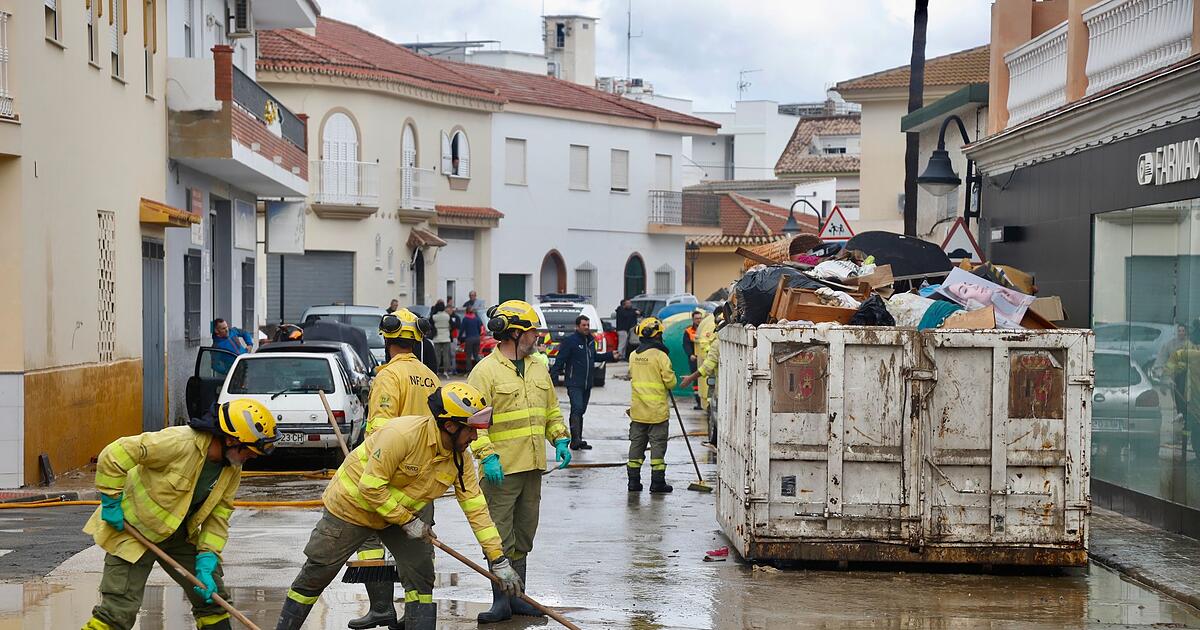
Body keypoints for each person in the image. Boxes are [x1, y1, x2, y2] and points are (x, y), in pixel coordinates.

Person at [273, 384, 522, 630]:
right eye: (470, 431)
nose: (475, 438)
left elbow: (476, 508)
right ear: (450, 425)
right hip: (351, 508)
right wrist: (408, 520)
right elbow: (370, 487)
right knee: (317, 573)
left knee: (421, 575)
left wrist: (497, 558)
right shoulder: (402, 435)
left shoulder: (460, 459)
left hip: (396, 517)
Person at [80, 399, 279, 630]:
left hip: (178, 535)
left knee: (214, 601)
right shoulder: (180, 442)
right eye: (250, 451)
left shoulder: (231, 467)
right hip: (132, 530)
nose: (252, 457)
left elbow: (219, 513)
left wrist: (207, 558)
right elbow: (116, 453)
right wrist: (111, 500)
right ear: (230, 439)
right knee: (116, 614)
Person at [468, 300, 570, 624]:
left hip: (532, 466)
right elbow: (472, 424)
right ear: (512, 333)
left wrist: (560, 438)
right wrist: (487, 457)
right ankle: (501, 600)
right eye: (531, 331)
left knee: (524, 535)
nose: (537, 336)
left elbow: (550, 410)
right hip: (501, 470)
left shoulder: (539, 367)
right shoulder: (485, 372)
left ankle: (518, 597)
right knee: (499, 536)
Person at [345, 308, 441, 630]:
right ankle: (416, 619)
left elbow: (381, 430)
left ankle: (382, 607)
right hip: (422, 480)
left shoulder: (388, 375)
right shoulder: (430, 376)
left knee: (370, 541)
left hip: (389, 477)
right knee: (416, 549)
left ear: (386, 338)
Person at [551, 315, 618, 450]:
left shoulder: (590, 341)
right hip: (574, 382)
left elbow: (593, 357)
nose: (586, 327)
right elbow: (560, 360)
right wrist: (554, 379)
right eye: (584, 325)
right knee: (576, 408)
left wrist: (610, 355)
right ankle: (575, 440)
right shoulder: (571, 341)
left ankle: (579, 439)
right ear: (577, 327)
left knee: (581, 410)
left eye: (588, 325)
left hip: (587, 383)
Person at [626, 317, 676, 494]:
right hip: (657, 413)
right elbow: (670, 382)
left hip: (638, 412)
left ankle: (633, 482)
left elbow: (632, 375)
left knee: (636, 445)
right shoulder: (661, 356)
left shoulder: (633, 356)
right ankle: (657, 483)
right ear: (657, 335)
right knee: (658, 447)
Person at [682, 309, 705, 409]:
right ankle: (698, 402)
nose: (698, 320)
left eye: (700, 318)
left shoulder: (705, 329)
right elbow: (686, 344)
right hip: (694, 359)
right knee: (695, 379)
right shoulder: (688, 331)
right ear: (693, 319)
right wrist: (690, 354)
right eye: (696, 319)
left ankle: (704, 401)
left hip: (704, 358)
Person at [431, 302, 454, 378]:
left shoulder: (434, 316)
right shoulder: (447, 316)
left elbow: (430, 325)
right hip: (446, 337)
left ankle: (436, 371)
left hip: (437, 337)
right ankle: (446, 371)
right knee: (446, 356)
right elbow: (452, 325)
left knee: (437, 356)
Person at [459, 306, 484, 372]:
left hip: (469, 339)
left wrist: (459, 338)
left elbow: (462, 330)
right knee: (476, 355)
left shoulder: (465, 319)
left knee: (468, 356)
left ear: (466, 311)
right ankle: (480, 369)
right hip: (477, 338)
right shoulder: (477, 318)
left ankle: (468, 371)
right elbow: (480, 328)